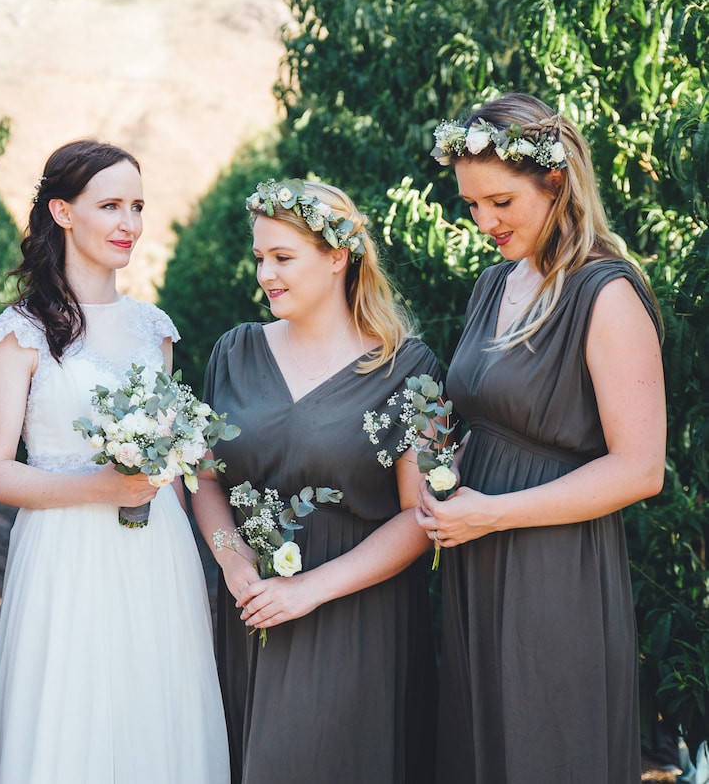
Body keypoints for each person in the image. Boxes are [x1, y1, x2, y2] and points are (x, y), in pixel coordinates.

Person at [420, 93, 665, 781]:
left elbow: (641, 469)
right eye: (471, 206)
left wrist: (492, 512)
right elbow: (493, 420)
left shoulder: (606, 293)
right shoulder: (493, 286)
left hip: (557, 568)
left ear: (554, 182)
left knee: (548, 746)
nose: (483, 222)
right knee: (484, 749)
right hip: (477, 557)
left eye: (500, 202)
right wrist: (445, 476)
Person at [0, 139, 229, 783]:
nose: (129, 225)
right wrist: (100, 486)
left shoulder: (155, 329)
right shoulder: (20, 330)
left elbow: (170, 466)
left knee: (154, 711)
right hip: (63, 551)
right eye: (110, 205)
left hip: (156, 551)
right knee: (70, 717)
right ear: (62, 212)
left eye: (138, 206)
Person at [193, 179, 441, 784]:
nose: (265, 275)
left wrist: (309, 589)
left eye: (282, 258)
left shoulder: (411, 368)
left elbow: (421, 514)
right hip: (247, 602)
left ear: (337, 257)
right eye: (259, 258)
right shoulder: (233, 351)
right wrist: (232, 564)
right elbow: (202, 475)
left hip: (356, 612)